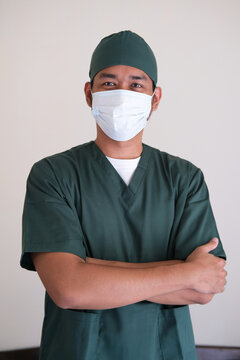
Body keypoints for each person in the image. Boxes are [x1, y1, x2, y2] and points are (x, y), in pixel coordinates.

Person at [20, 30, 227, 360]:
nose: (121, 93)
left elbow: (204, 288)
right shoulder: (53, 175)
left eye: (136, 84)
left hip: (166, 351)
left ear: (155, 98)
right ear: (89, 93)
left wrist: (90, 270)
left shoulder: (184, 179)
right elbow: (68, 288)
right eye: (108, 83)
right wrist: (184, 271)